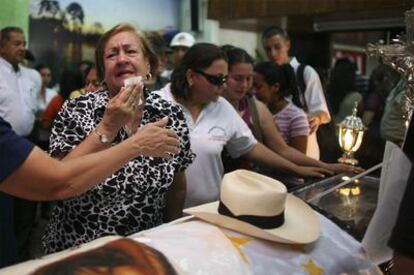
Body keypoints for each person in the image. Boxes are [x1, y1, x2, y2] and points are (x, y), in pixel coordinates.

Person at [41, 23, 194, 254]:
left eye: (130, 52)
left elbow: (177, 186)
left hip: (145, 250)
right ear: (103, 71)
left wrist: (171, 237)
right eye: (112, 54)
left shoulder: (170, 114)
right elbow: (59, 180)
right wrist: (108, 125)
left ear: (149, 65)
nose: (122, 59)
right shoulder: (76, 109)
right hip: (79, 250)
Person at [155, 43, 332, 208]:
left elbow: (252, 147)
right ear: (191, 76)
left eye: (224, 79)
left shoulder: (221, 108)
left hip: (208, 211)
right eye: (216, 80)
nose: (222, 86)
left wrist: (302, 169)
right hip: (160, 214)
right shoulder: (158, 104)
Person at [220, 47, 360, 179]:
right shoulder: (212, 107)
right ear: (224, 76)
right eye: (238, 78)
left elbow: (282, 150)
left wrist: (324, 166)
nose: (244, 85)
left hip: (250, 185)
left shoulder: (256, 108)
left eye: (249, 79)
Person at [0, 26, 41, 263]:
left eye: (24, 42)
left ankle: (23, 260)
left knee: (27, 208)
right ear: (2, 46)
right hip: (4, 148)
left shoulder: (30, 76)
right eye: (16, 43)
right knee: (5, 212)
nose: (22, 48)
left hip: (28, 143)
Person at [261, 26, 331, 159]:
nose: (273, 53)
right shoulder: (265, 75)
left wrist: (313, 119)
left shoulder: (305, 72)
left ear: (287, 44)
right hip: (274, 151)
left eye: (277, 47)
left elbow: (321, 111)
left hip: (305, 148)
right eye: (268, 49)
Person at [254, 61, 310, 153]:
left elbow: (298, 157)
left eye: (258, 87)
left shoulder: (296, 117)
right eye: (252, 86)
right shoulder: (255, 109)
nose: (254, 92)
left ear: (275, 87)